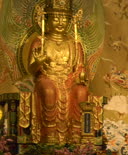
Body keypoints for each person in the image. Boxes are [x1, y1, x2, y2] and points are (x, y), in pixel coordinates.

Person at [27, 0, 88, 144]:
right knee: (48, 90)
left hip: (69, 79)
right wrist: (38, 62)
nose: (60, 22)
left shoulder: (74, 44)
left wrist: (81, 75)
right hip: (47, 77)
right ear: (46, 20)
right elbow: (31, 70)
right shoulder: (40, 41)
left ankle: (75, 132)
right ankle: (49, 133)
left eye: (64, 19)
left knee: (82, 91)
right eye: (55, 18)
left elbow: (79, 67)